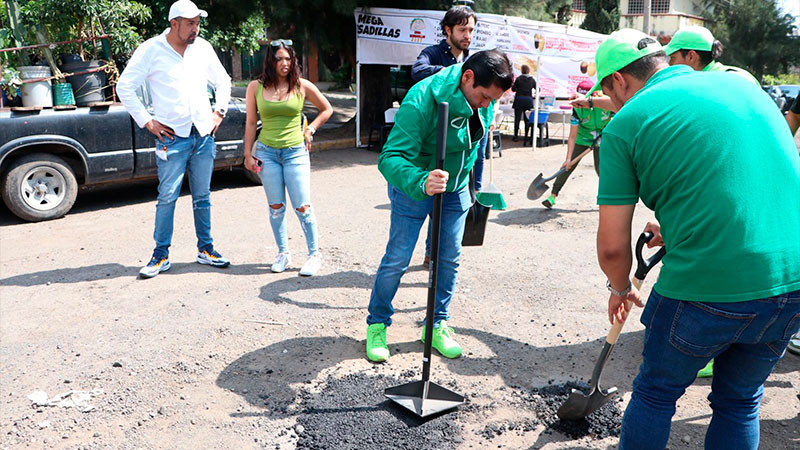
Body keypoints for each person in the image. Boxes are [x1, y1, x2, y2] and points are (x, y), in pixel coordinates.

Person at [591, 29, 800, 449]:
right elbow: (744, 182)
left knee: (655, 393)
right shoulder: (743, 86)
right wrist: (678, 228)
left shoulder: (625, 124)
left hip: (709, 286)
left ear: (618, 80)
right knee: (740, 401)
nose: (611, 102)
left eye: (608, 92)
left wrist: (618, 287)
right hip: (792, 279)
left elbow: (613, 246)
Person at [365, 50, 513, 363]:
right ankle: (377, 324)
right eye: (485, 97)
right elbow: (389, 157)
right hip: (414, 187)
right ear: (468, 77)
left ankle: (436, 325)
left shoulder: (484, 98)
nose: (487, 105)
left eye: (492, 100)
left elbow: (474, 146)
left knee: (449, 259)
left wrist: (470, 187)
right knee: (398, 258)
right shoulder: (421, 98)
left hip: (455, 190)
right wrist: (421, 180)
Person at [117, 0, 232, 278]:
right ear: (174, 24)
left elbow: (223, 81)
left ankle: (206, 249)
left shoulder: (202, 48)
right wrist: (148, 122)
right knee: (167, 196)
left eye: (198, 23)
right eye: (190, 23)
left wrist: (219, 112)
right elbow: (125, 87)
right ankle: (160, 255)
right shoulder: (151, 50)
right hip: (172, 138)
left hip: (203, 134)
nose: (196, 29)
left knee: (202, 196)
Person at [242, 40, 332, 276]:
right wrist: (247, 154)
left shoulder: (301, 85)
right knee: (276, 207)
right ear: (270, 61)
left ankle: (314, 255)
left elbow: (327, 109)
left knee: (302, 205)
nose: (284, 63)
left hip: (295, 153)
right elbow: (251, 122)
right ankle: (283, 253)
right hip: (266, 153)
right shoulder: (255, 87)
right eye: (279, 59)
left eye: (288, 58)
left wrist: (310, 129)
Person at [411, 5, 483, 268]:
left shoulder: (473, 59)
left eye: (471, 30)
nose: (468, 35)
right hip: (432, 144)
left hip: (461, 145)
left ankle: (435, 256)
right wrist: (455, 75)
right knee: (430, 202)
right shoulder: (432, 54)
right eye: (462, 29)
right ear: (447, 30)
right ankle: (429, 253)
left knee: (447, 208)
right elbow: (417, 73)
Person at [541, 80, 611, 209]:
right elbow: (572, 136)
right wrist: (568, 158)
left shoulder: (605, 103)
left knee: (601, 169)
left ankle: (607, 198)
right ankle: (553, 195)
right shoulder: (576, 110)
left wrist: (606, 133)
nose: (579, 104)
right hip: (583, 138)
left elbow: (618, 116)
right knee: (568, 166)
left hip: (603, 136)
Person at [664, 26, 758, 84]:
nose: (670, 64)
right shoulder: (735, 75)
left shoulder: (725, 81)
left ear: (691, 56)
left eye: (673, 58)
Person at [511, 64, 536, 142]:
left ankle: (516, 136)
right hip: (528, 100)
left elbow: (513, 89)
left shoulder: (518, 79)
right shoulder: (532, 79)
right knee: (527, 119)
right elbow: (538, 88)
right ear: (529, 70)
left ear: (521, 70)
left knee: (517, 119)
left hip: (519, 99)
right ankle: (526, 136)